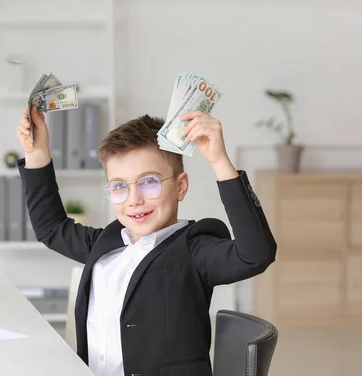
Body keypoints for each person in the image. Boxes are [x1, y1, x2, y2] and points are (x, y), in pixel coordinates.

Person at [15, 106, 277, 376]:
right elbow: (51, 228)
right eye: (119, 186)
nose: (134, 199)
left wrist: (220, 161)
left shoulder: (193, 250)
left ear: (180, 186)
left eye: (149, 182)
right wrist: (37, 153)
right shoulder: (106, 244)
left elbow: (256, 254)